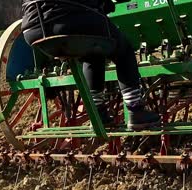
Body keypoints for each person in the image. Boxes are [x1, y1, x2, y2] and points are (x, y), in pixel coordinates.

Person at [21, 0, 161, 130]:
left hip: (33, 29)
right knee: (123, 48)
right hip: (64, 19)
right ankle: (135, 110)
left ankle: (98, 114)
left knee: (93, 51)